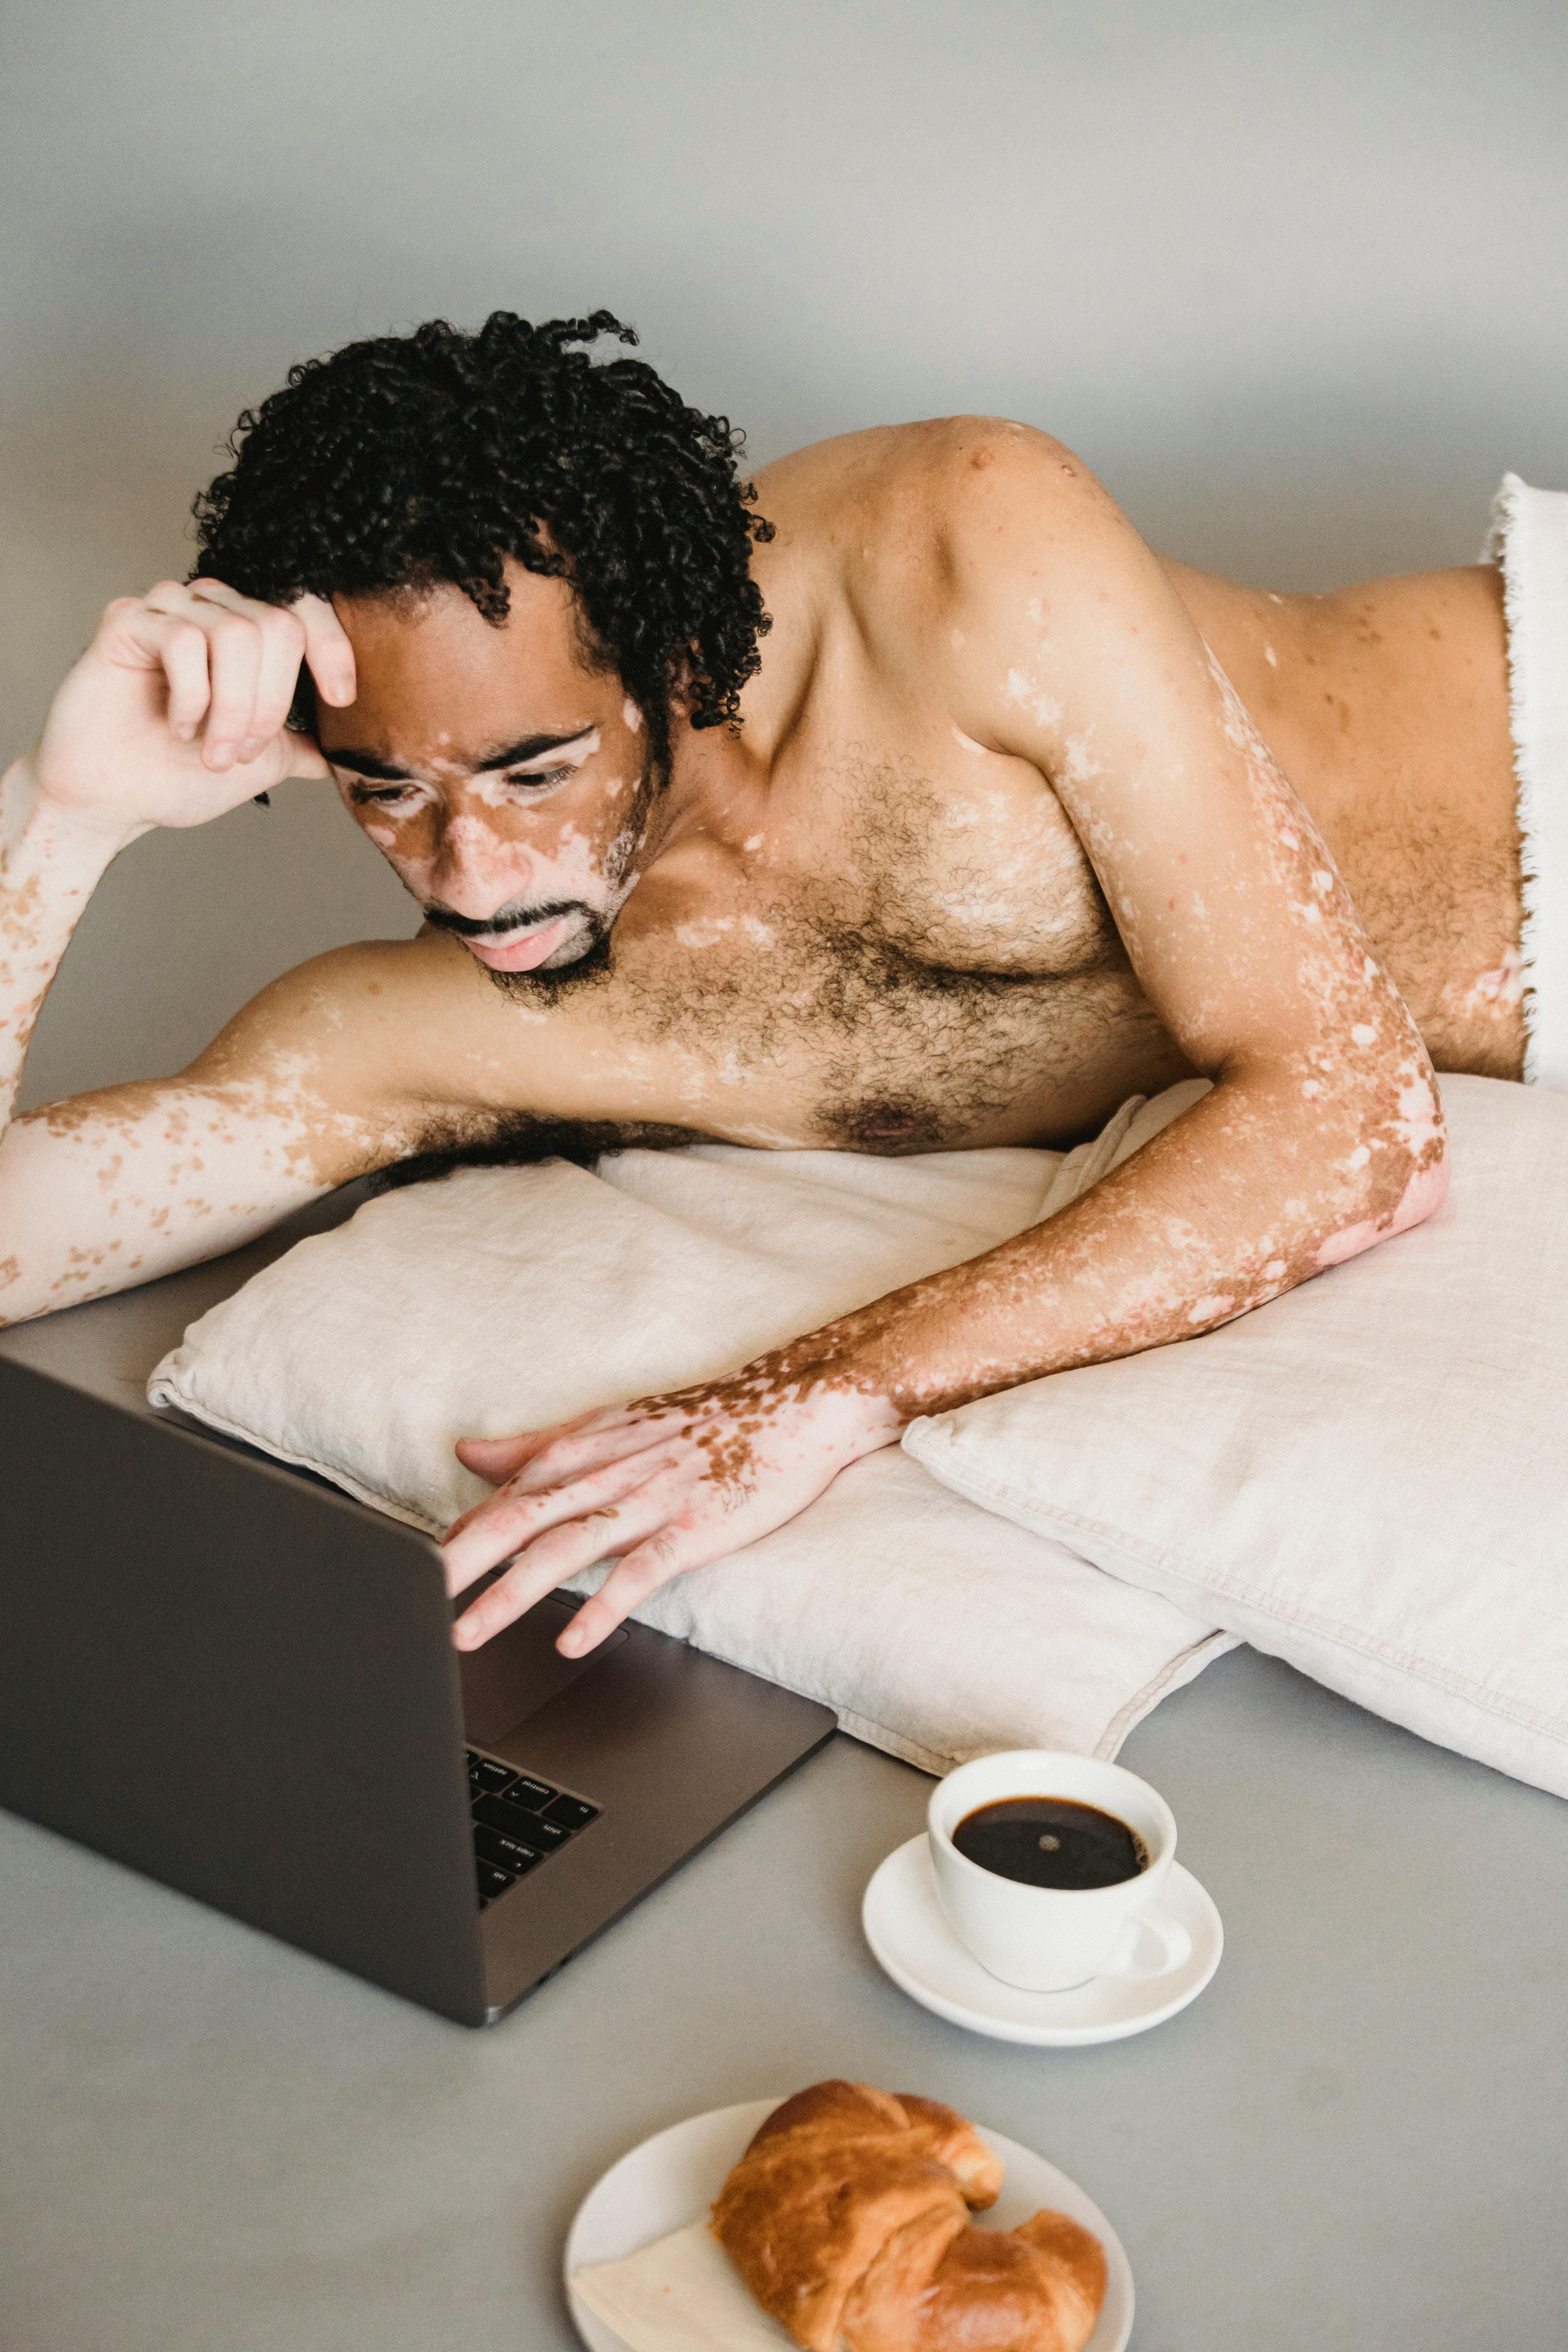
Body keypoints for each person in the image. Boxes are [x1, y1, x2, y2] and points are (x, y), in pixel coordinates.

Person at [0, 311, 1526, 1660]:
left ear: (673, 657)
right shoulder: (422, 1030)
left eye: (537, 768)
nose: (470, 871)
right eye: (384, 791)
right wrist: (63, 823)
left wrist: (806, 1397)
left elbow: (1353, 1126)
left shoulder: (954, 549)